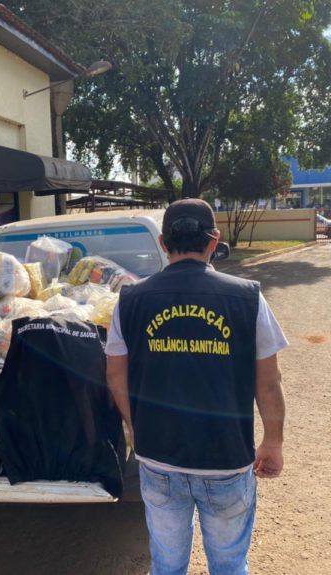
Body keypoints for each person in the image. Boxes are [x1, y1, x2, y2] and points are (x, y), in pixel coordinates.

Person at [105, 199, 287, 575]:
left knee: (167, 564)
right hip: (226, 460)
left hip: (158, 458)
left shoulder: (130, 299)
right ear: (214, 240)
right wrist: (273, 442)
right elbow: (269, 381)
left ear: (163, 242)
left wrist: (135, 425)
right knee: (229, 565)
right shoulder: (247, 297)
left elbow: (115, 376)